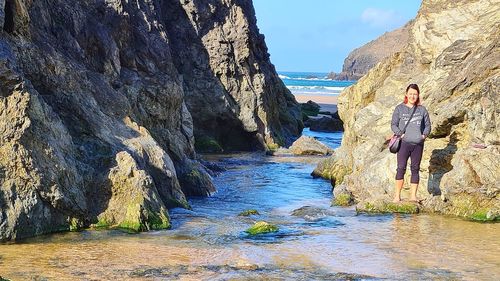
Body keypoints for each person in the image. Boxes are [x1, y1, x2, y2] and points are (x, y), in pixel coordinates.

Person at [391, 84, 431, 202]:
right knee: (401, 168)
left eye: (415, 94)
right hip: (403, 144)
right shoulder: (399, 108)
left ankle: (413, 196)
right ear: (406, 94)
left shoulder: (422, 110)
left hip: (418, 145)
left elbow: (428, 125)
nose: (413, 96)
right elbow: (393, 124)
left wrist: (423, 136)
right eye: (411, 94)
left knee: (415, 169)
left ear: (418, 95)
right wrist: (401, 134)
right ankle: (397, 196)